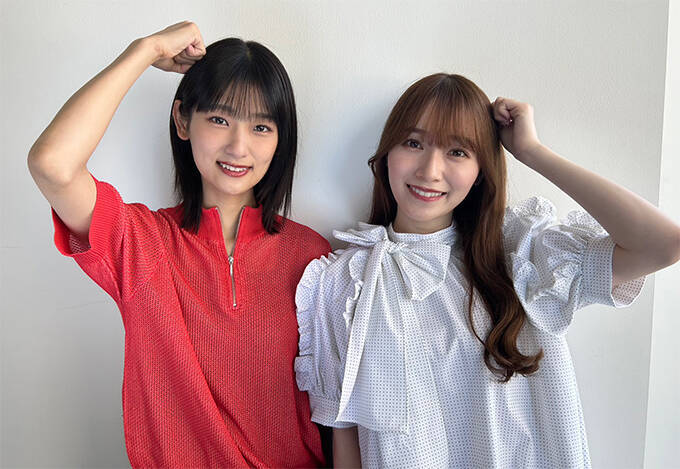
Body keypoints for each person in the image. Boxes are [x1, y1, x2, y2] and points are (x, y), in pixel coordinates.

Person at [294, 73, 680, 468]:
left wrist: (532, 151)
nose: (430, 170)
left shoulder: (518, 254)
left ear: (481, 169)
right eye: (413, 143)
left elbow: (663, 244)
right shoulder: (344, 284)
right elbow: (346, 438)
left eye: (457, 151)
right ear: (387, 152)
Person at [28, 21, 329, 467]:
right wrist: (145, 50)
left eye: (261, 127)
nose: (239, 146)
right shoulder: (140, 243)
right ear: (183, 120)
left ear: (281, 139)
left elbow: (340, 408)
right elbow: (52, 164)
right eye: (220, 119)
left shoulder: (312, 257)